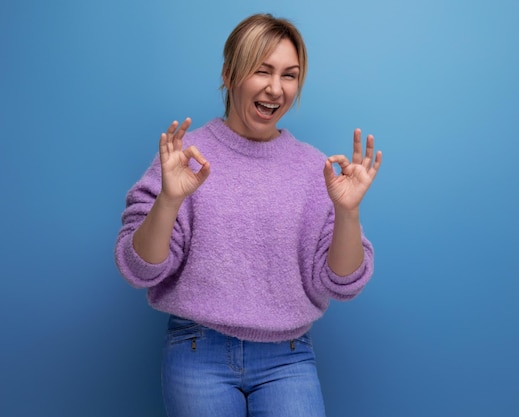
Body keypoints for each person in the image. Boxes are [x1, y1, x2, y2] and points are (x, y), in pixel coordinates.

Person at [114, 13, 382, 417]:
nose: (276, 89)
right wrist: (168, 201)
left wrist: (348, 212)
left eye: (289, 75)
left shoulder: (315, 169)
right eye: (262, 71)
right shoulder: (184, 159)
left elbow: (342, 283)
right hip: (196, 351)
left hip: (288, 358)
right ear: (229, 74)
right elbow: (140, 270)